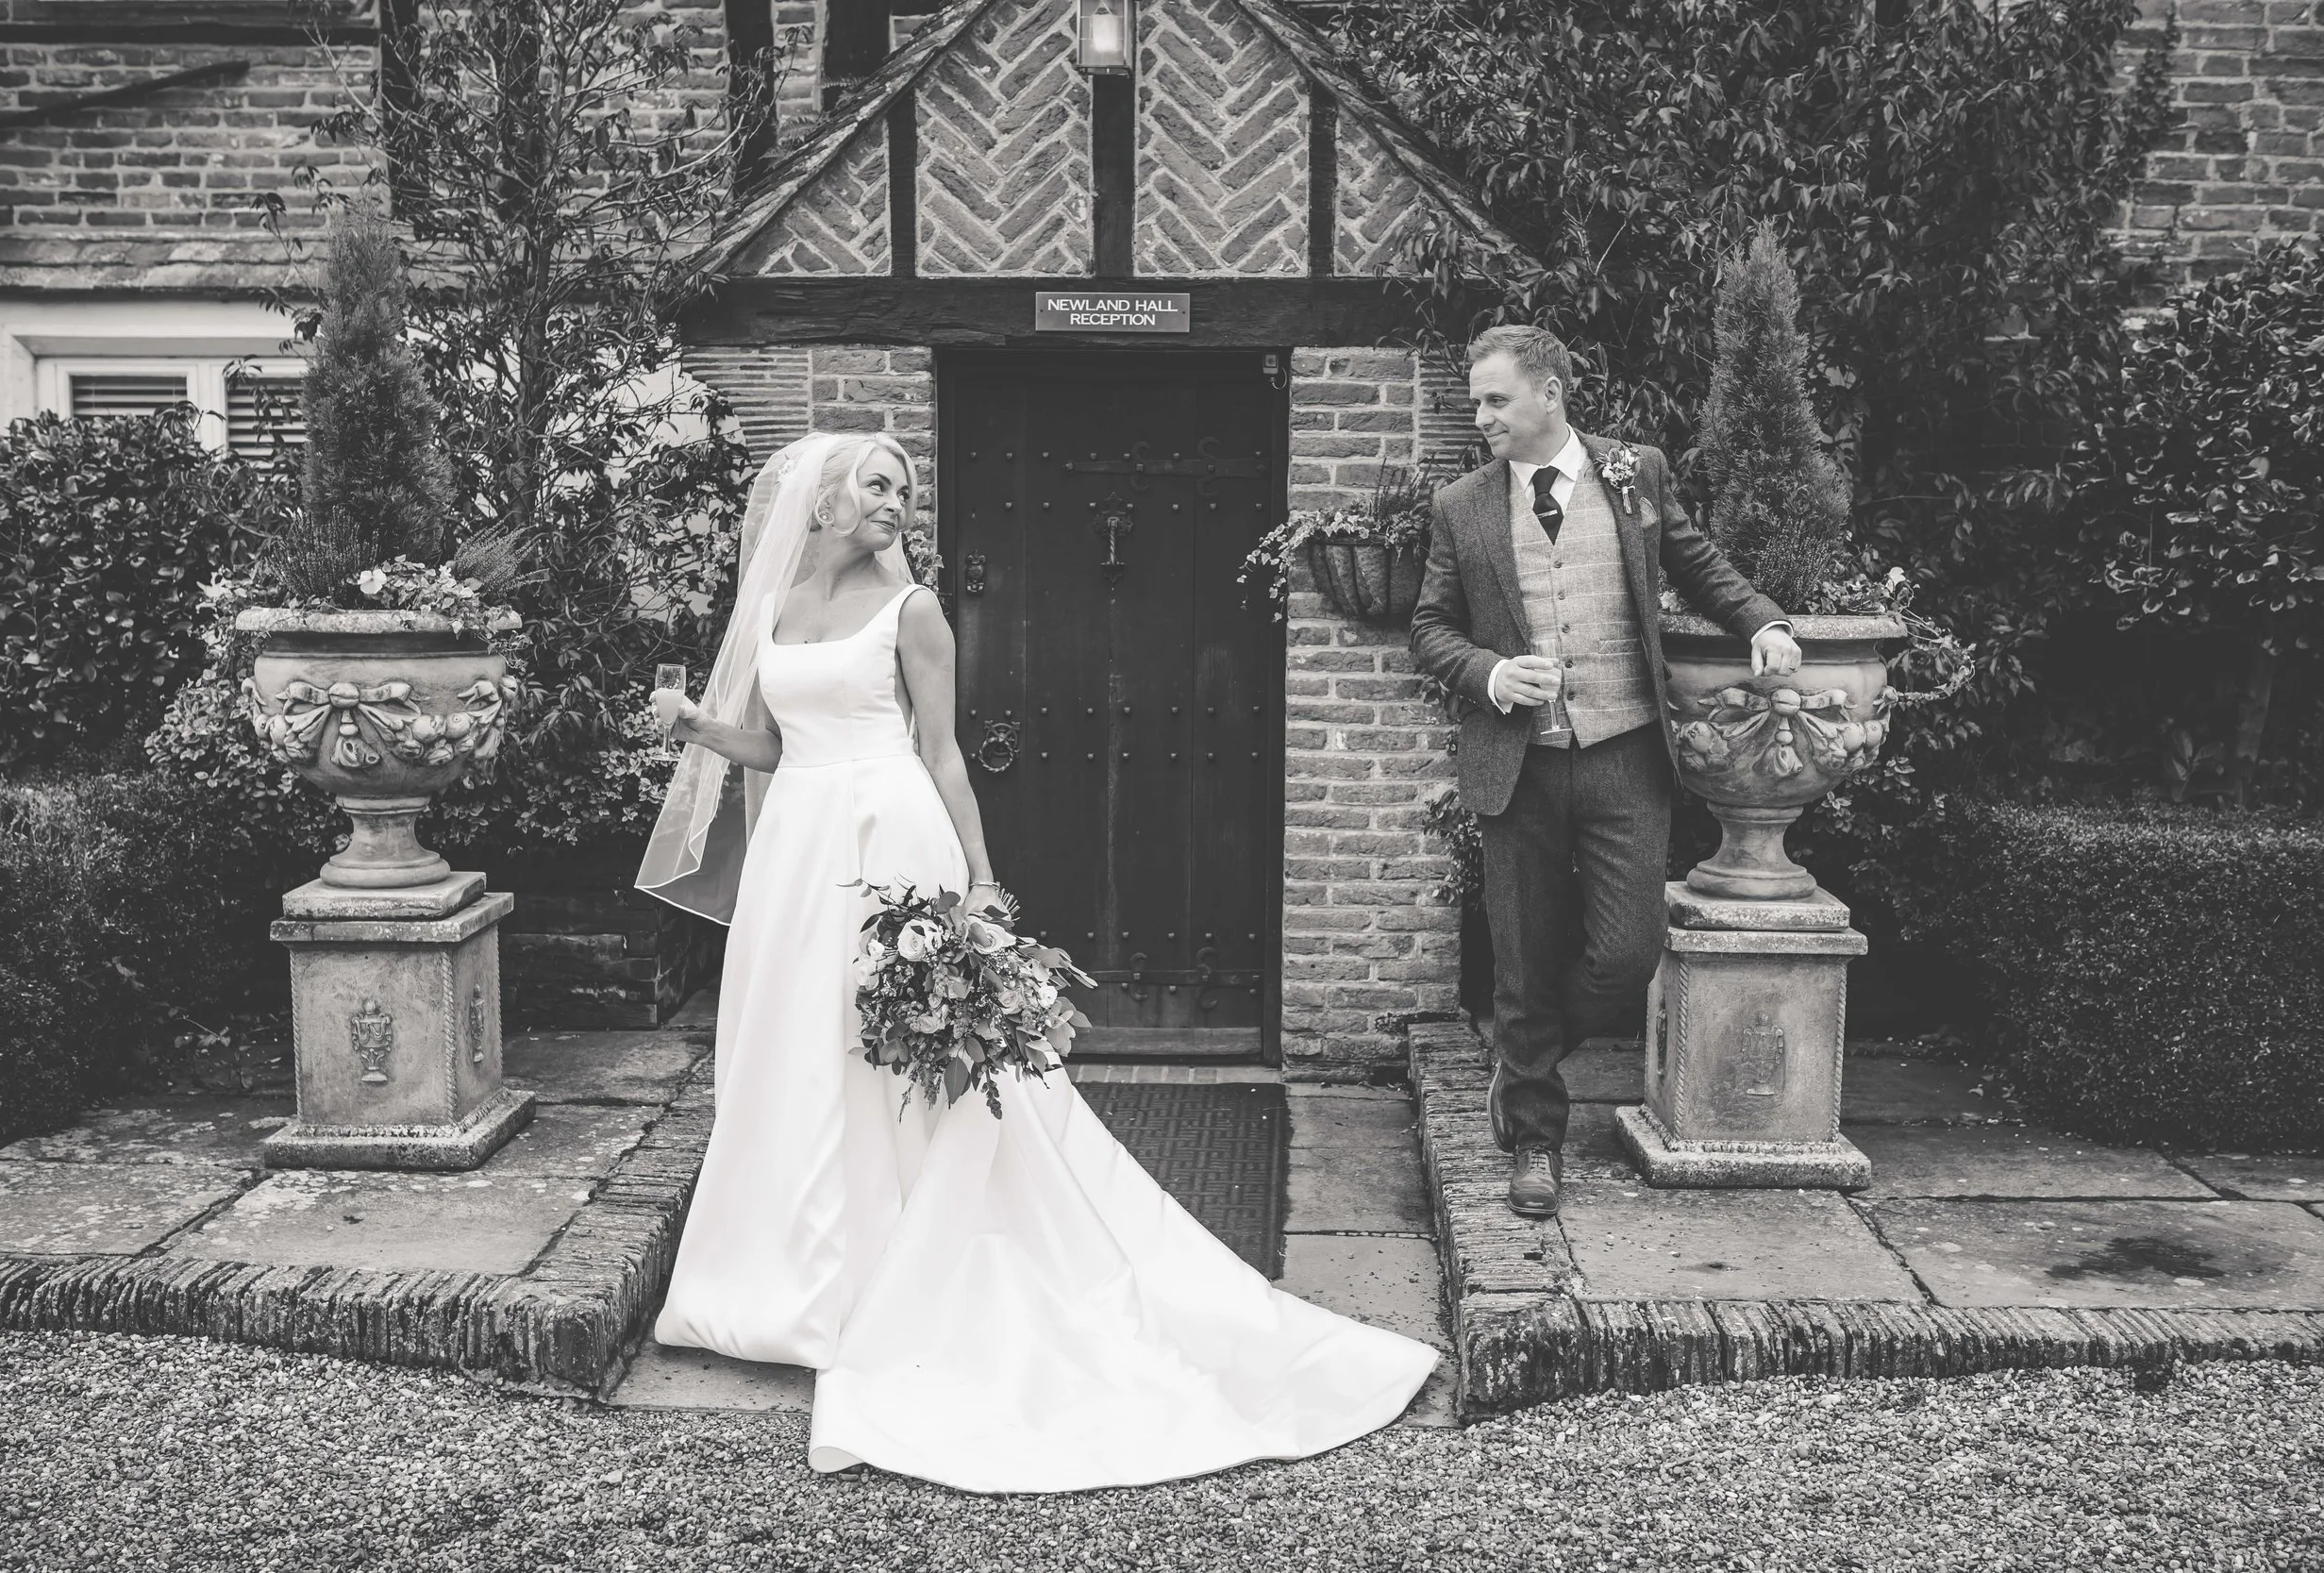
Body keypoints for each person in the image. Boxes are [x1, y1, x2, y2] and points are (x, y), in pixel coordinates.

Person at [634, 430, 1439, 1494]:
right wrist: (697, 724)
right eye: (876, 484)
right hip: (796, 849)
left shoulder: (912, 609)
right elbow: (781, 748)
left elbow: (941, 751)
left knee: (900, 1060)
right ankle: (787, 1285)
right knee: (794, 1052)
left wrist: (977, 880)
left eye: (905, 487)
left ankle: (895, 1278)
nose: (895, 500)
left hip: (889, 841)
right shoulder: (775, 608)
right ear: (821, 499)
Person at [1410, 326, 1803, 1220]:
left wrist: (1763, 623)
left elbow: (1699, 565)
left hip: (1626, 753)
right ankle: (1537, 1141)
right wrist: (1492, 674)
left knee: (1629, 951)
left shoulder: (1636, 473)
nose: (1481, 418)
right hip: (1520, 765)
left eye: (1494, 400)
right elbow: (1430, 628)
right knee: (1521, 956)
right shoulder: (1462, 504)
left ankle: (1524, 1056)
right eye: (1477, 402)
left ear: (1550, 394)